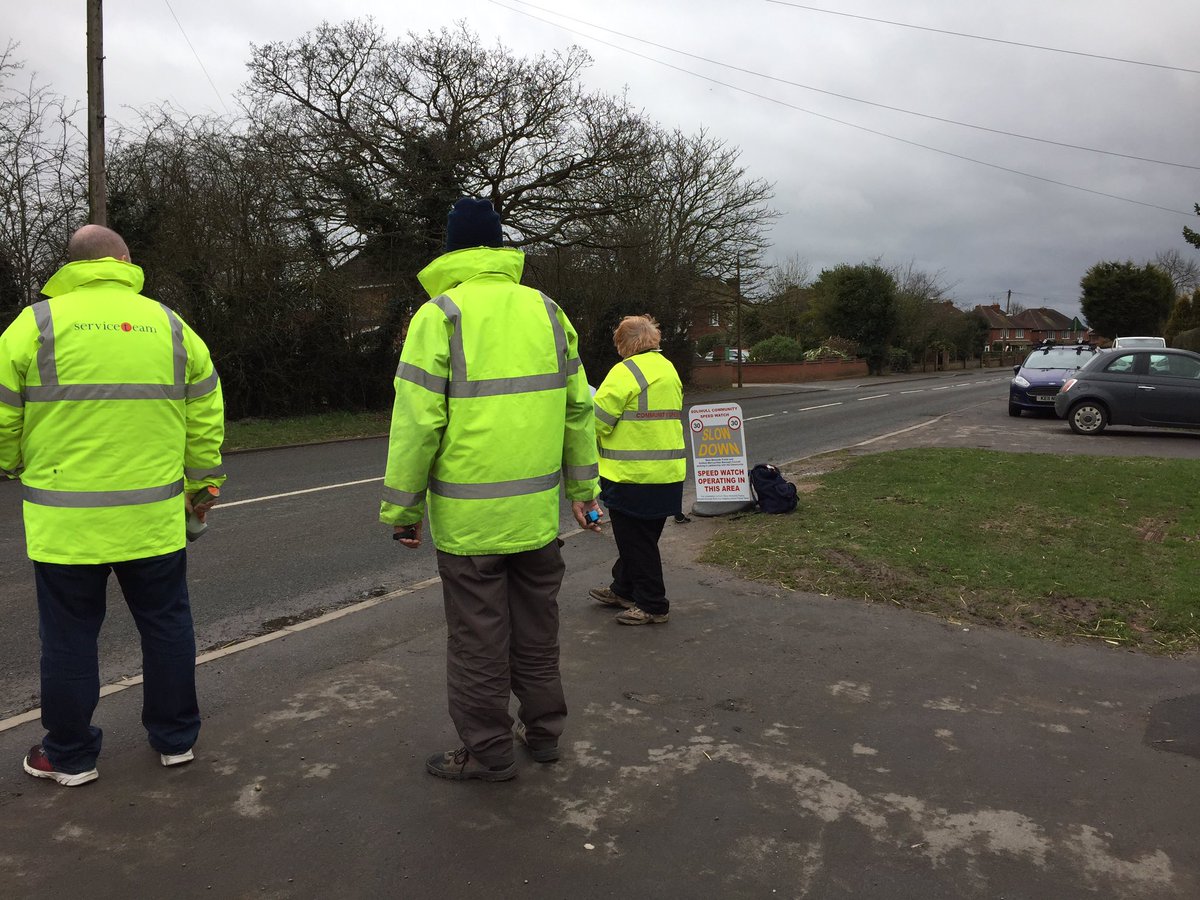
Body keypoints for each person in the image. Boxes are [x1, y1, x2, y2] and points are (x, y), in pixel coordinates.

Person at [381, 197, 601, 782]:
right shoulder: (549, 312)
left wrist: (403, 507)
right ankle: (546, 735)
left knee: (479, 642)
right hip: (536, 519)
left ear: (452, 249)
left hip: (470, 525)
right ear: (500, 246)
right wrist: (584, 490)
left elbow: (416, 423)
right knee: (537, 630)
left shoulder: (441, 314)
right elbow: (580, 410)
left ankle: (488, 751)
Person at [0, 224, 225, 786]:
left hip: (67, 525)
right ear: (125, 261)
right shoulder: (171, 325)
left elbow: (4, 416)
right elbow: (204, 417)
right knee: (167, 625)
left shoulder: (34, 326)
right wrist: (203, 489)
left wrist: (10, 463)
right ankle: (176, 740)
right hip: (153, 520)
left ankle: (70, 756)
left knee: (70, 638)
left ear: (70, 267)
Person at [589, 315, 686, 625]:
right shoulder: (668, 368)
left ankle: (653, 604)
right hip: (667, 473)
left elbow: (597, 421)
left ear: (624, 343)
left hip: (631, 475)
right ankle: (623, 588)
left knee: (636, 541)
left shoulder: (625, 371)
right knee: (642, 538)